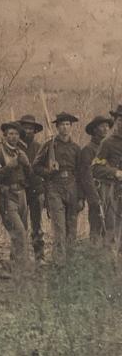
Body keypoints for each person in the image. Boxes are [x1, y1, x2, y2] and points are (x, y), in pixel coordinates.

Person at [33, 112, 83, 258]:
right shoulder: (49, 145)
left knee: (71, 227)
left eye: (68, 124)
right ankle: (59, 262)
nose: (65, 128)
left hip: (72, 188)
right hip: (54, 188)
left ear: (71, 127)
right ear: (57, 127)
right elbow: (35, 166)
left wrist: (81, 197)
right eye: (62, 124)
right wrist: (48, 171)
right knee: (59, 228)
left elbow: (81, 174)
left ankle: (70, 261)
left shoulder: (76, 148)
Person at [0, 121, 32, 270]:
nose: (13, 137)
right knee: (19, 231)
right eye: (10, 134)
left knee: (22, 230)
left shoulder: (21, 153)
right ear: (5, 136)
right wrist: (8, 167)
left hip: (22, 194)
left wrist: (26, 165)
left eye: (16, 134)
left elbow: (29, 176)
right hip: (8, 196)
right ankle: (24, 266)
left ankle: (15, 264)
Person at [92, 103, 122, 254]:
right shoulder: (107, 143)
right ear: (116, 122)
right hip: (113, 194)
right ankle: (111, 270)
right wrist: (115, 172)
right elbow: (96, 168)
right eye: (120, 120)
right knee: (112, 233)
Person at [18, 114, 46, 263]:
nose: (28, 131)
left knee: (37, 225)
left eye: (31, 128)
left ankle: (39, 255)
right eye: (25, 128)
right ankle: (20, 257)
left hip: (36, 189)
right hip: (20, 190)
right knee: (20, 225)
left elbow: (45, 171)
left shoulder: (40, 147)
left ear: (35, 131)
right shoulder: (14, 147)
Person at [80, 115, 111, 243]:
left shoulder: (109, 147)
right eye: (102, 126)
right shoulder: (88, 150)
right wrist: (94, 197)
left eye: (107, 126)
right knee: (97, 224)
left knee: (111, 224)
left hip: (111, 190)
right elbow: (86, 176)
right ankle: (95, 256)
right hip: (97, 190)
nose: (105, 129)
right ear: (94, 130)